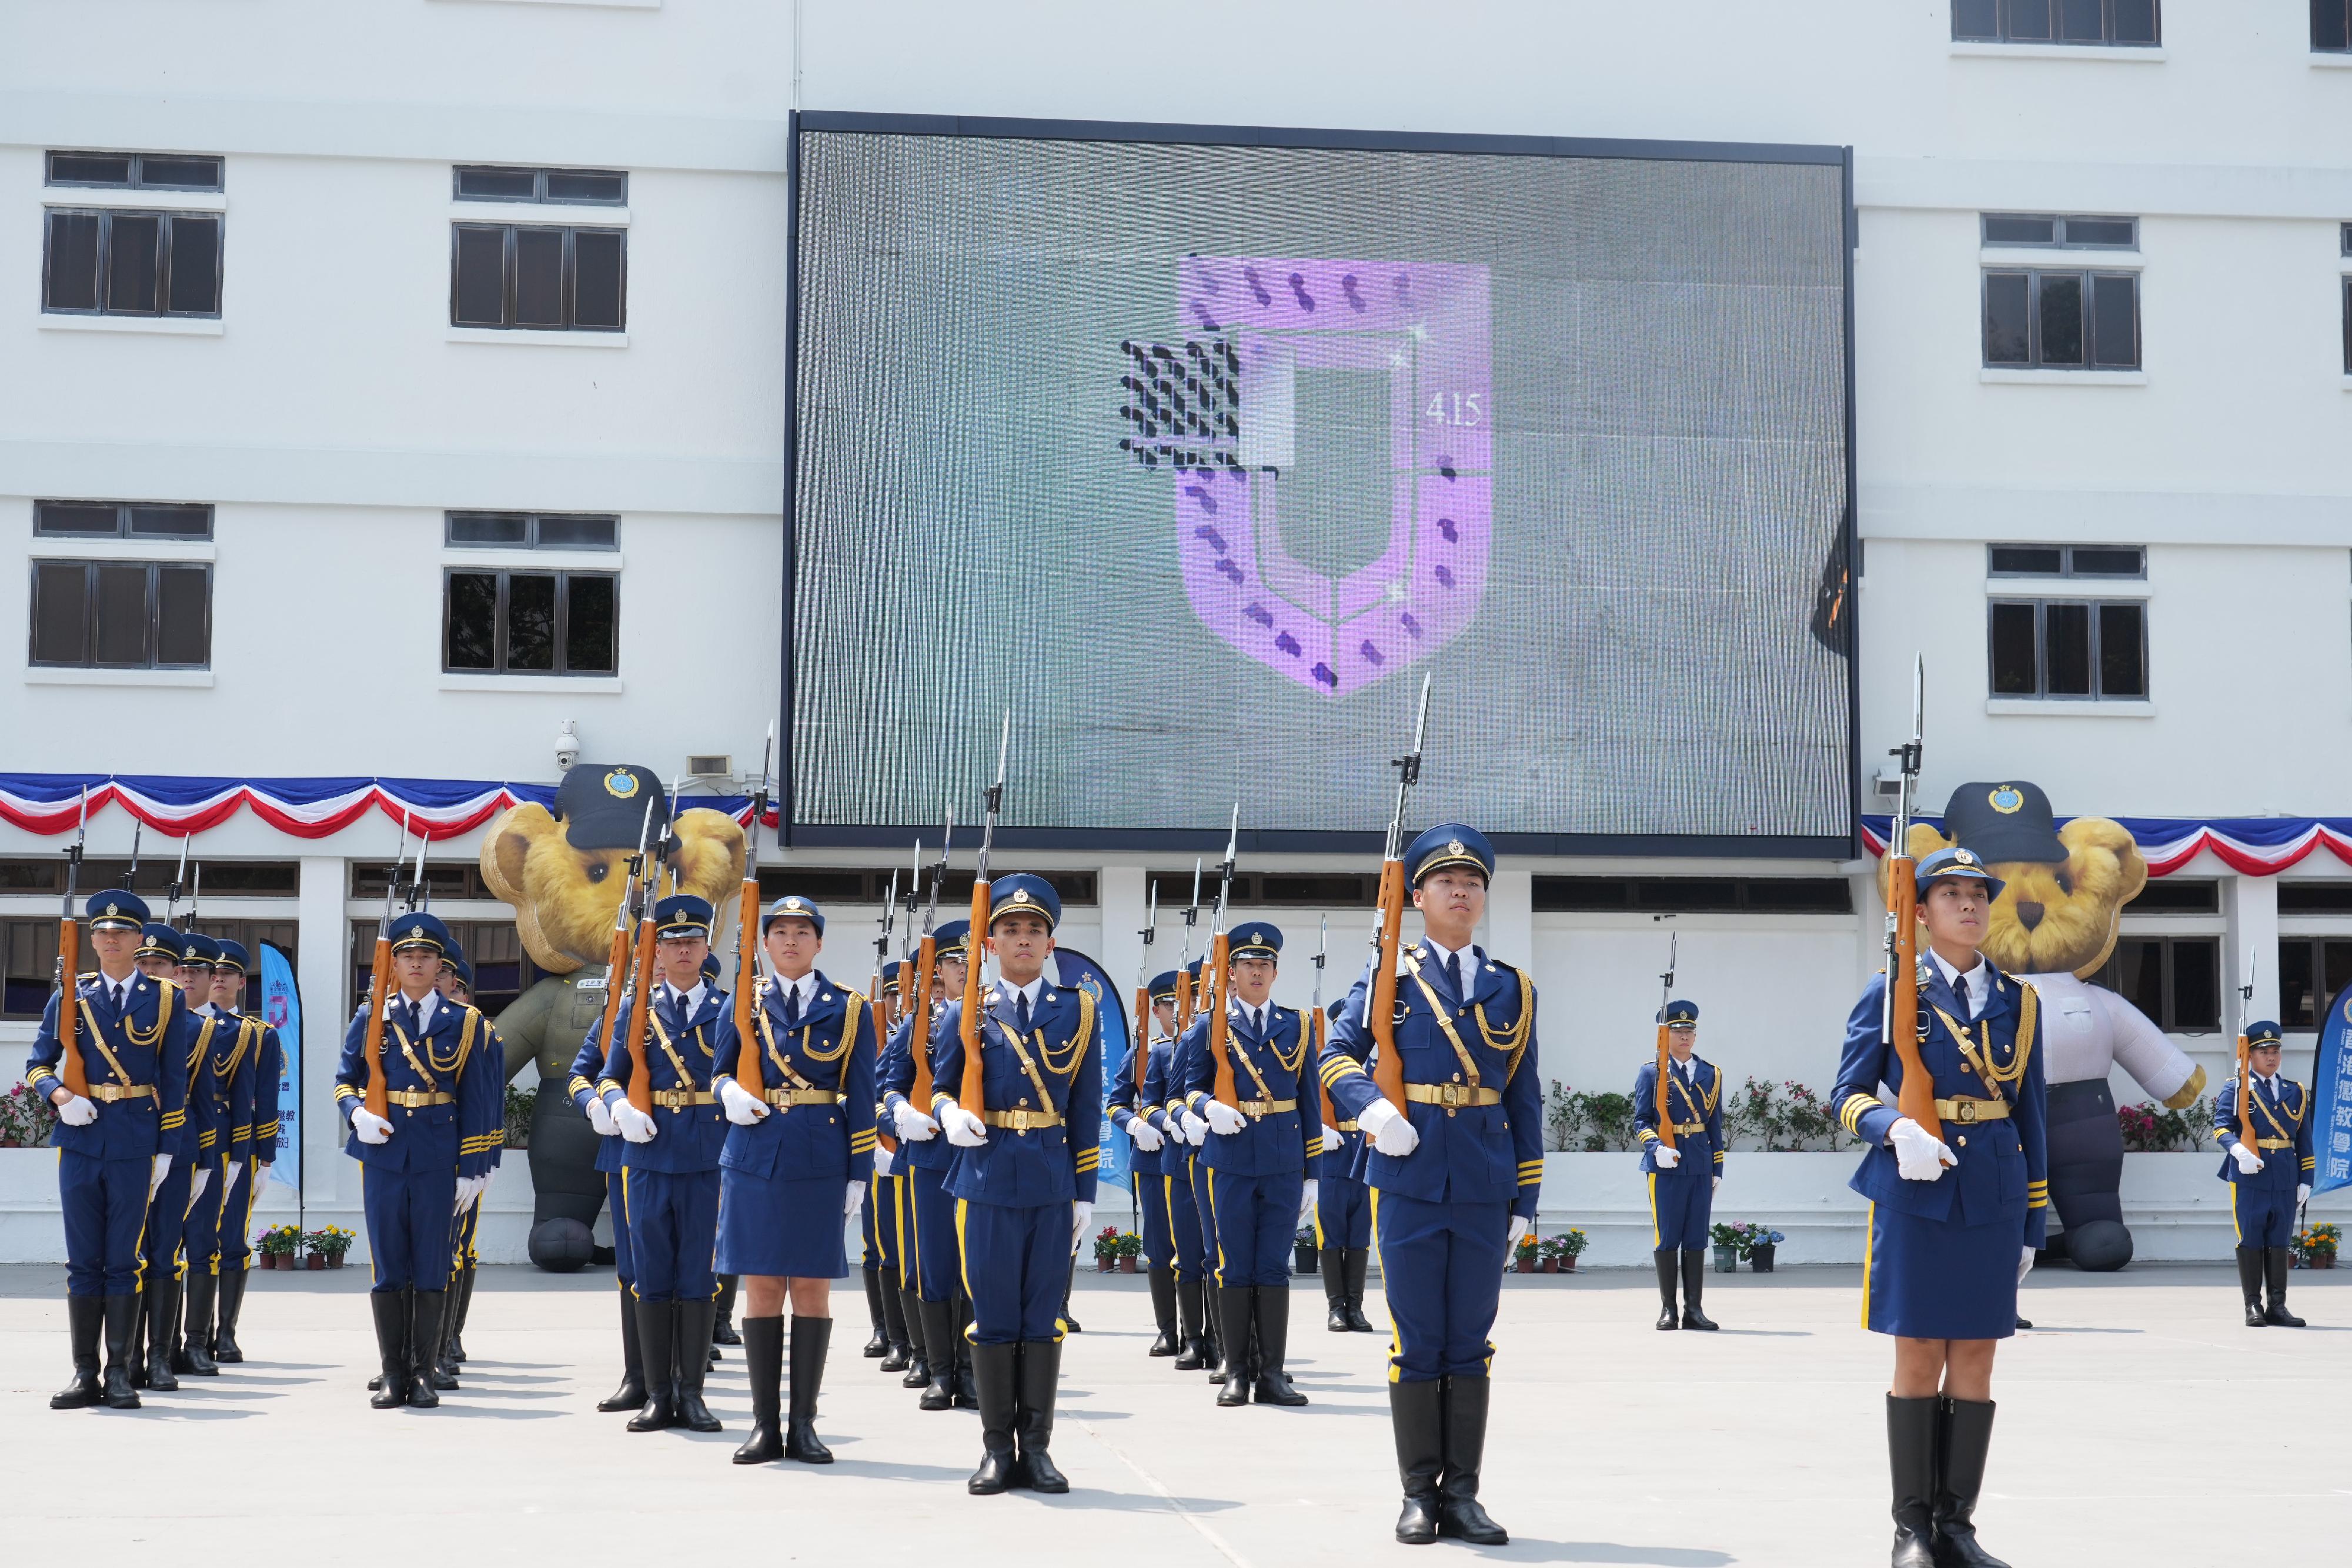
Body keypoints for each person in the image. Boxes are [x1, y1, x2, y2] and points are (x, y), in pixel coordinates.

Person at [1321, 825, 1541, 1547]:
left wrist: (1525, 1201)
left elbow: (1523, 1099)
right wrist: (1374, 1111)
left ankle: (1465, 1495)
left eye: (1472, 882)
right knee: (1418, 1341)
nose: (1460, 891)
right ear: (1416, 896)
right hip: (1410, 1178)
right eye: (1445, 882)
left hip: (1483, 1183)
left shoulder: (1514, 988)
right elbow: (1335, 1055)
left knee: (1470, 1341)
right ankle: (1419, 1493)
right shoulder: (1389, 977)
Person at [1832, 845, 2049, 1568]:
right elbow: (1847, 1094)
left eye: (1978, 894)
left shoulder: (2020, 1002)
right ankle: (1911, 1528)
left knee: (1977, 1359)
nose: (1968, 905)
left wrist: (2031, 1224)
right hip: (1915, 1186)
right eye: (1950, 894)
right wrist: (1890, 1127)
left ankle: (1958, 1527)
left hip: (1991, 1184)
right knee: (1919, 1355)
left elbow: (2032, 1116)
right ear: (1917, 912)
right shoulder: (1891, 989)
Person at [927, 873, 1102, 1495]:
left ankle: (1039, 1448)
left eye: (1034, 931)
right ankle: (997, 1449)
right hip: (986, 1178)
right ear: (990, 942)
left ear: (1050, 945)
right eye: (1010, 930)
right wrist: (948, 1114)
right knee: (996, 1317)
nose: (1022, 940)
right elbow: (942, 1085)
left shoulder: (1078, 1011)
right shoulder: (965, 1012)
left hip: (1052, 1182)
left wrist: (1085, 1191)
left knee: (1042, 1319)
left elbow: (1085, 1106)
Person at [712, 894, 876, 1465]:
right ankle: (764, 1426)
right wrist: (729, 1092)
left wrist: (859, 1172)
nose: (789, 940)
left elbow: (862, 1096)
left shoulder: (850, 1008)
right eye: (779, 931)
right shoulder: (742, 1002)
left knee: (810, 1291)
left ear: (819, 942)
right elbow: (719, 1072)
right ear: (764, 942)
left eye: (801, 932)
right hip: (755, 1158)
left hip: (818, 1160)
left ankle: (803, 1425)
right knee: (760, 1290)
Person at [26, 890, 196, 1411]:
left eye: (121, 932)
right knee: (84, 1261)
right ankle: (85, 1373)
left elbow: (174, 1079)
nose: (111, 939)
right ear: (93, 940)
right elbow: (38, 1062)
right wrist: (58, 1095)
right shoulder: (70, 995)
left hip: (134, 1141)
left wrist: (166, 1149)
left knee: (123, 1259)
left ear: (139, 940)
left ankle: (120, 1371)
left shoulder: (167, 998)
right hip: (80, 1139)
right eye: (102, 932)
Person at [335, 911, 503, 1410]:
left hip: (438, 1156)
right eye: (407, 956)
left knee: (431, 1265)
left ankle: (424, 1372)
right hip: (384, 1154)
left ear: (439, 966)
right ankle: (392, 1372)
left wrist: (475, 1168)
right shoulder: (373, 1017)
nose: (415, 963)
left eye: (425, 956)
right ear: (395, 964)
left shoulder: (465, 1022)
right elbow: (345, 1079)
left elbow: (477, 1098)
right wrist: (356, 1112)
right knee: (389, 1266)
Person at [594, 895, 735, 1435]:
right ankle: (656, 1393)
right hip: (648, 1154)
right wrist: (618, 1106)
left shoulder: (728, 1009)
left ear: (706, 948)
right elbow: (609, 1075)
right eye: (673, 943)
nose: (682, 951)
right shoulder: (636, 1009)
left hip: (706, 1154)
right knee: (651, 1275)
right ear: (658, 951)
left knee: (698, 1275)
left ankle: (692, 1393)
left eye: (692, 942)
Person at [1180, 921, 1318, 1407]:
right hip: (1230, 1160)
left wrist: (1314, 1173)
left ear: (1276, 973)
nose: (1255, 972)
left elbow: (1309, 1102)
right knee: (1235, 1266)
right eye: (1246, 964)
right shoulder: (1210, 1025)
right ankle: (1237, 1370)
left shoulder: (1298, 1025)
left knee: (1274, 1267)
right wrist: (1206, 1108)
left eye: (1264, 964)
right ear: (1231, 973)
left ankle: (1274, 1374)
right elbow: (1186, 1088)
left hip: (1283, 1160)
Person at [880, 918, 977, 1412]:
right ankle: (939, 1368)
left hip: (983, 1158)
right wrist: (901, 1115)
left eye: (969, 958)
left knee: (977, 1269)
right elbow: (887, 1083)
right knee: (934, 1266)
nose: (962, 969)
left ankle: (972, 1368)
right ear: (939, 968)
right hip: (932, 1157)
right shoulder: (923, 1022)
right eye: (954, 961)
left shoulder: (995, 1018)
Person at [133, 928, 225, 1390]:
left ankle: (162, 1354)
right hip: (126, 1146)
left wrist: (207, 1162)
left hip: (179, 1150)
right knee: (126, 1255)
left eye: (161, 967)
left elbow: (206, 1103)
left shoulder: (197, 1027)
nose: (151, 973)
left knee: (166, 1253)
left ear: (175, 975)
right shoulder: (108, 1015)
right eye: (143, 964)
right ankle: (127, 1355)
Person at [567, 949, 645, 1414]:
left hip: (690, 1156)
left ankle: (682, 1375)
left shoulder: (710, 1011)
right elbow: (581, 1075)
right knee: (632, 1270)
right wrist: (597, 1106)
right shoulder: (617, 1017)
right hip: (626, 1158)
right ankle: (638, 1374)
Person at [2212, 1021, 2313, 1329]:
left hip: (2284, 1173)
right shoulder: (2237, 1088)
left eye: (2275, 1052)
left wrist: (2307, 1178)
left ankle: (2278, 1306)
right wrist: (2238, 1151)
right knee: (2251, 1238)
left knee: (2280, 1239)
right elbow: (2221, 1127)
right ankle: (2253, 1306)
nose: (2271, 1058)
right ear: (2251, 1056)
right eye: (2264, 1052)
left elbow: (2304, 1138)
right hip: (2249, 1174)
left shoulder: (2294, 1092)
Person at [1634, 999, 1725, 1331]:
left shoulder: (1710, 1074)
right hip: (1665, 1166)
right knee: (1668, 1236)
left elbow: (1715, 1124)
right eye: (1678, 1031)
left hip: (1700, 1163)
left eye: (1689, 1031)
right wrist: (1656, 1148)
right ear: (1666, 1035)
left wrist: (1717, 1168)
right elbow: (1641, 1120)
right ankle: (1668, 1309)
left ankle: (1695, 1310)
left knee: (1697, 1237)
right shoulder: (1652, 1072)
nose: (1685, 1036)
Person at [212, 940, 281, 1365]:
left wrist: (266, 1158)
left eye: (227, 973)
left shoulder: (258, 1035)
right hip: (180, 1143)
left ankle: (225, 1332)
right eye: (209, 971)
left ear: (242, 981)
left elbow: (267, 1099)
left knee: (232, 1239)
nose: (217, 978)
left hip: (237, 1148)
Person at [1108, 969, 1181, 1356]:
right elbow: (1115, 1104)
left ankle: (1202, 1329)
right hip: (1154, 1159)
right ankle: (1168, 1329)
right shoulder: (1143, 1052)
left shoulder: (1207, 1045)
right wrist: (1136, 1125)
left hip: (1196, 1159)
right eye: (1169, 1004)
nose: (1177, 1010)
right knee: (1158, 1245)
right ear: (1156, 1010)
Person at [1173, 957, 1228, 1380]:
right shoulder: (1192, 1037)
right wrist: (1180, 1120)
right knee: (1197, 1254)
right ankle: (1197, 1338)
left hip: (1234, 1155)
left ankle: (1231, 1344)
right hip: (1191, 1158)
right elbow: (1171, 1097)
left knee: (1225, 1255)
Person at [1314, 998, 1375, 1334]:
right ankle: (1336, 1307)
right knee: (1333, 1235)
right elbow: (1308, 1106)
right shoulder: (1325, 1069)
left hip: (1365, 1157)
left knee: (1359, 1236)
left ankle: (1356, 1307)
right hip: (1334, 1160)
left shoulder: (1375, 1070)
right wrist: (1319, 1130)